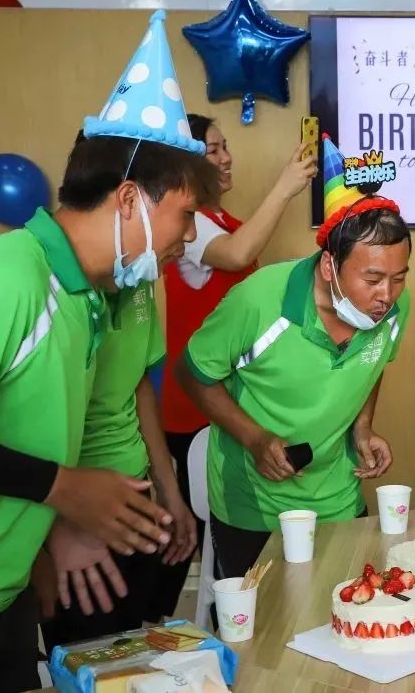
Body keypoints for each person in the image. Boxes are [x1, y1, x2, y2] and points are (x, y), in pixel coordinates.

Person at [0, 10, 217, 691]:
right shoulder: (8, 278)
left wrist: (44, 538)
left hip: (5, 594)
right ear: (131, 198)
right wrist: (63, 492)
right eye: (186, 215)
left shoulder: (88, 298)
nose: (188, 236)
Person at [176, 135, 411, 579]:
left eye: (399, 278)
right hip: (255, 509)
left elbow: (376, 361)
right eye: (373, 279)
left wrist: (362, 426)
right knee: (264, 620)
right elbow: (192, 373)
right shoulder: (259, 300)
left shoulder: (393, 310)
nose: (387, 295)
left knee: (348, 608)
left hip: (340, 500)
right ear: (329, 265)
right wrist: (255, 439)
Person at [154, 113, 315, 620]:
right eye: (212, 150)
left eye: (225, 147)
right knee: (194, 530)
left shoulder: (218, 219)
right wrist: (286, 187)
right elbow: (240, 254)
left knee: (209, 528)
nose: (224, 159)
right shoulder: (192, 225)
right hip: (197, 400)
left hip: (231, 398)